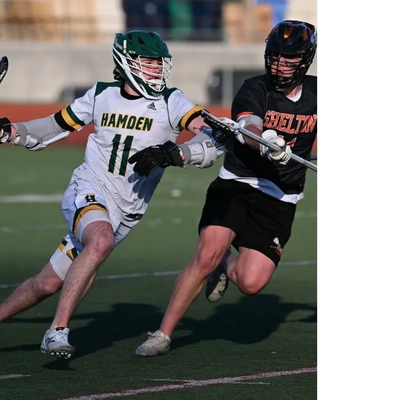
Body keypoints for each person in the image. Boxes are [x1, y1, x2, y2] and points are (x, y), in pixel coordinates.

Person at [0, 30, 236, 359]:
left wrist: (177, 154)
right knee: (100, 241)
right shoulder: (101, 95)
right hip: (89, 188)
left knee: (47, 283)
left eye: (159, 63)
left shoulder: (172, 101)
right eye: (149, 62)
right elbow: (56, 126)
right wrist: (15, 132)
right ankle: (56, 331)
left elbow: (213, 135)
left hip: (127, 212)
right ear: (127, 63)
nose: (157, 69)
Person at [131, 20, 317, 356]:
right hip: (237, 183)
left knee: (251, 282)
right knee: (206, 254)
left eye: (289, 59)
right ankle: (163, 333)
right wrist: (267, 143)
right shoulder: (253, 88)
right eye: (275, 57)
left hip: (280, 197)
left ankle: (224, 265)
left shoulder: (320, 94)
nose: (280, 65)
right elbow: (248, 127)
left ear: (305, 60)